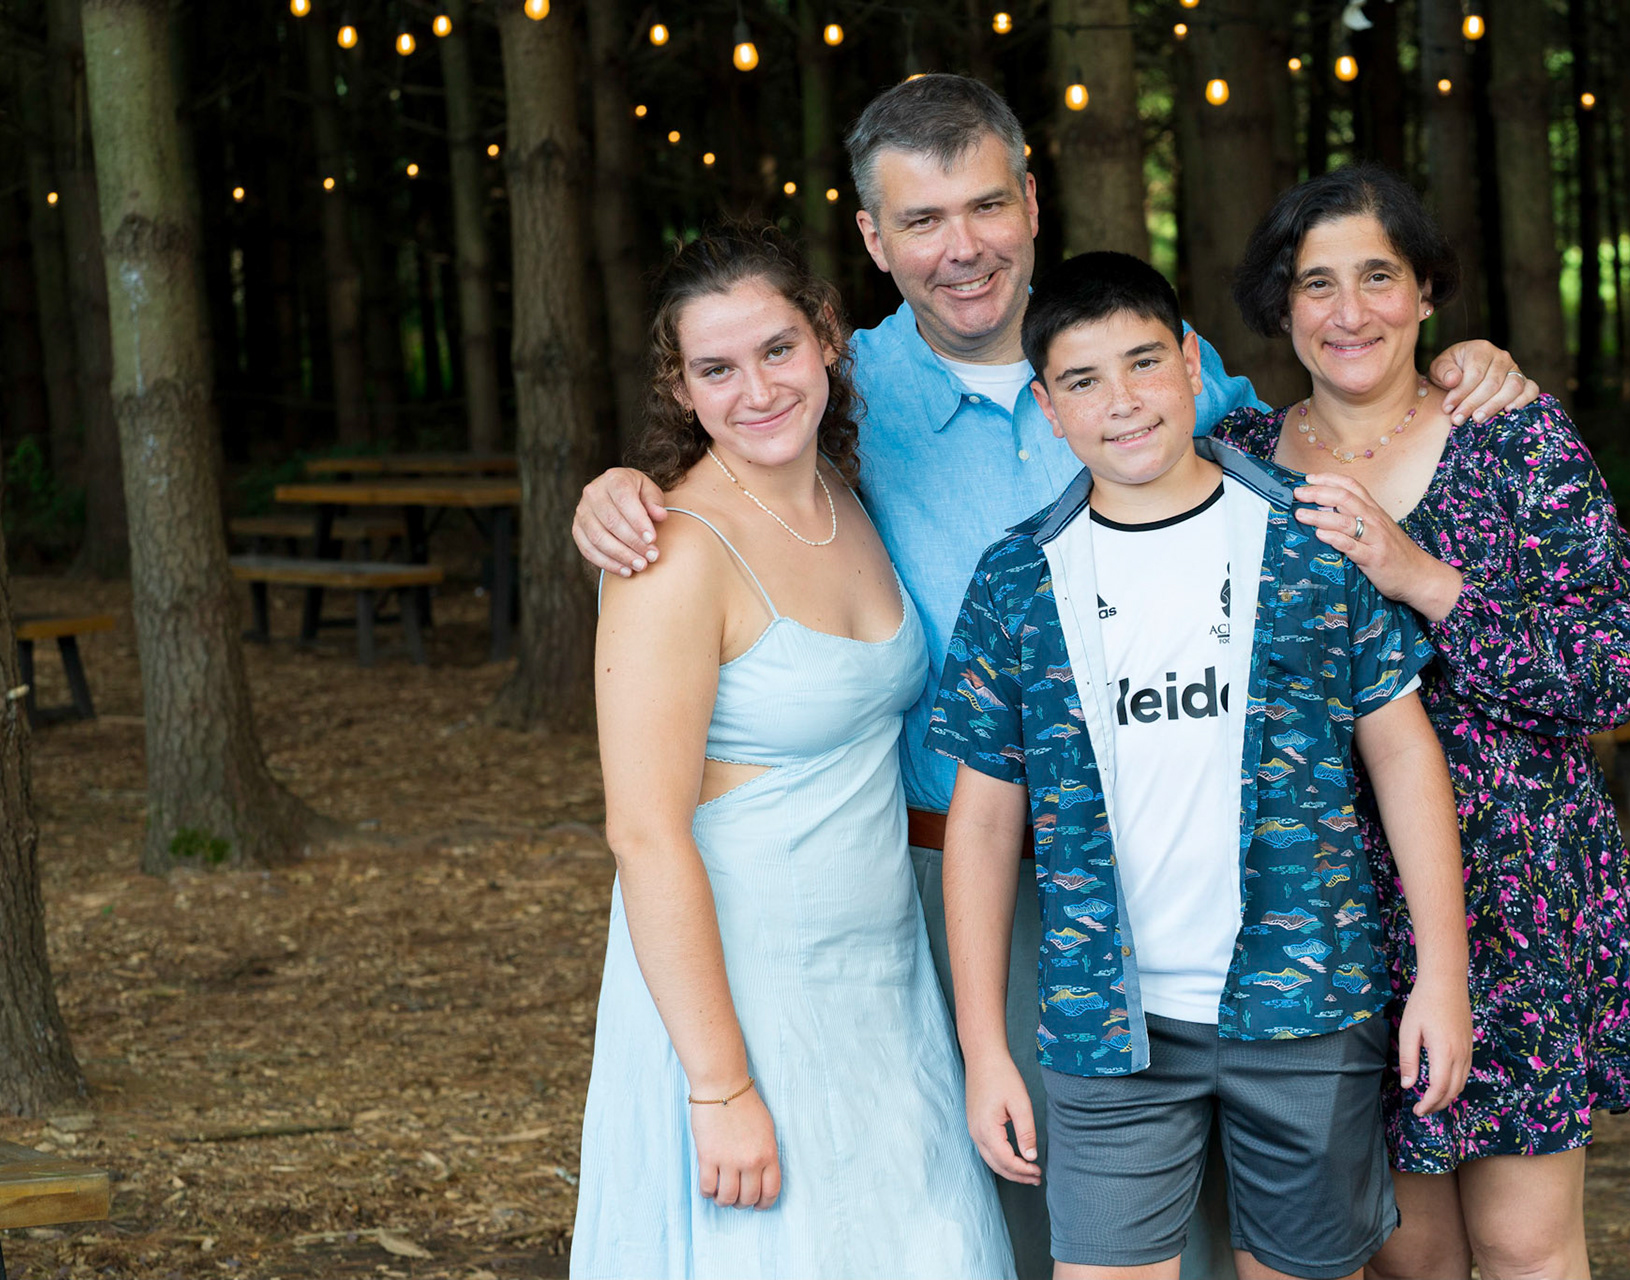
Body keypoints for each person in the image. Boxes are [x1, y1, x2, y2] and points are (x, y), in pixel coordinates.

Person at [569, 75, 1542, 1280]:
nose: (961, 245)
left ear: (1033, 202)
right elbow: (735, 423)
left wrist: (1452, 369)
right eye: (919, 221)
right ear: (871, 241)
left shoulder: (1146, 364)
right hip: (950, 874)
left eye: (985, 204)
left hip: (1217, 885)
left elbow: (1318, 420)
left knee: (1227, 1223)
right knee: (1016, 1211)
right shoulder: (842, 394)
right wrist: (622, 491)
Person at [928, 250, 1472, 1280]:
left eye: (1143, 363)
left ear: (1189, 364)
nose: (1122, 402)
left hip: (1307, 1002)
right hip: (1106, 1020)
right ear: (1047, 407)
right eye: (1083, 381)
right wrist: (983, 1045)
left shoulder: (1309, 536)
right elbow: (987, 820)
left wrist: (1441, 974)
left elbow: (1403, 753)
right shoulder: (1018, 579)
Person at [1211, 164, 1630, 1280]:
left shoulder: (1516, 439)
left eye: (1378, 276)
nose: (1349, 310)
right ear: (1283, 310)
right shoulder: (1233, 458)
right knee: (1403, 1252)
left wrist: (1425, 578)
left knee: (1523, 1241)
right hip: (1333, 904)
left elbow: (1612, 671)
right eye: (1315, 284)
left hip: (1512, 884)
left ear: (1427, 292)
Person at [572, 223, 1014, 1279]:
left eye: (777, 348)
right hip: (743, 982)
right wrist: (719, 1085)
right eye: (715, 368)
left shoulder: (846, 499)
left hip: (880, 975)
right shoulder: (670, 553)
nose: (756, 389)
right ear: (681, 388)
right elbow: (642, 831)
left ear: (826, 338)